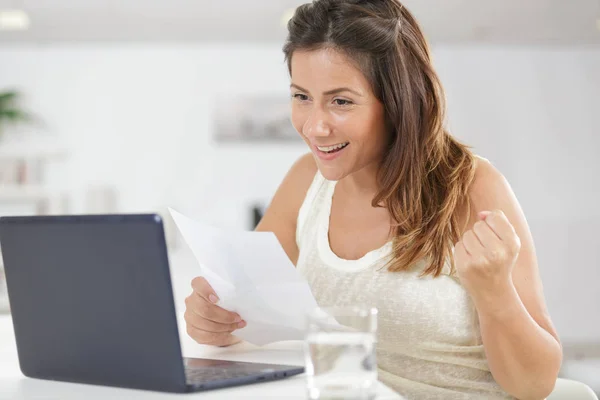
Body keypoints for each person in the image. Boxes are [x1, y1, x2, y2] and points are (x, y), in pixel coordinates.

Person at [183, 0, 563, 398]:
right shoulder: (304, 181)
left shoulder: (471, 187)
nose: (314, 125)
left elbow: (534, 386)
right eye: (301, 96)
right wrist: (216, 319)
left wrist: (495, 292)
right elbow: (246, 306)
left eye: (341, 101)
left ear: (400, 101)